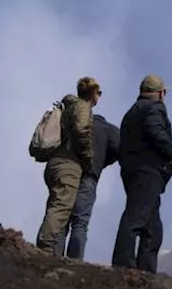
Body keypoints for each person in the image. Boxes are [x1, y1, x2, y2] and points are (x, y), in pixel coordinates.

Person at [111, 74, 172, 272]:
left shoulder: (131, 113)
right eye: (163, 92)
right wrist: (169, 153)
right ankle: (123, 267)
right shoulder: (154, 108)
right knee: (136, 218)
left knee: (152, 227)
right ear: (159, 93)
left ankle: (145, 271)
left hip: (133, 171)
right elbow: (155, 131)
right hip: (148, 170)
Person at [35, 76, 98, 254]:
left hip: (54, 162)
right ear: (93, 93)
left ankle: (47, 247)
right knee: (61, 207)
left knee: (55, 205)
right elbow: (81, 129)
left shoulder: (68, 107)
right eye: (99, 93)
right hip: (69, 165)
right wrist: (87, 157)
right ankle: (45, 249)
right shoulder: (83, 106)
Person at [61, 111, 120, 260]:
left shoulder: (75, 125)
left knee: (61, 217)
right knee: (80, 222)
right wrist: (101, 162)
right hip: (89, 176)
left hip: (68, 172)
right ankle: (75, 261)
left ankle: (53, 257)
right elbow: (120, 150)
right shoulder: (110, 130)